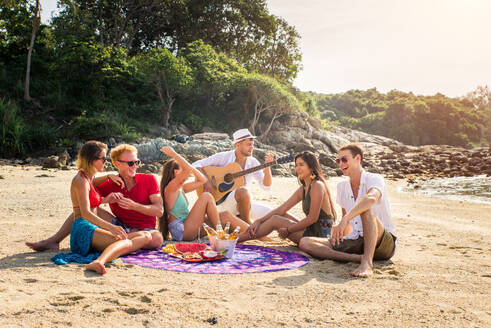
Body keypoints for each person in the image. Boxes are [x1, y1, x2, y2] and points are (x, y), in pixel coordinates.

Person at [26, 144, 164, 251]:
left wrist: (134, 206)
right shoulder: (110, 183)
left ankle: (120, 241)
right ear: (117, 163)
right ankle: (54, 240)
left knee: (157, 239)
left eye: (136, 162)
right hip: (120, 224)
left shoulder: (149, 179)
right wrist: (108, 177)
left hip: (145, 229)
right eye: (130, 163)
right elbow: (86, 184)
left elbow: (159, 211)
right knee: (89, 207)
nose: (135, 166)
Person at [299, 143, 397, 278]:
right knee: (305, 242)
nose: (340, 164)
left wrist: (345, 219)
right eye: (338, 160)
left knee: (366, 209)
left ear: (357, 159)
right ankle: (356, 258)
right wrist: (338, 233)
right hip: (356, 240)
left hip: (383, 242)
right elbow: (348, 224)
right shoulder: (342, 186)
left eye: (344, 159)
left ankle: (367, 263)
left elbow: (371, 198)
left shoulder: (374, 178)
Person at [63, 141, 151, 274]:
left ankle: (105, 256)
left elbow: (92, 193)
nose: (106, 162)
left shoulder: (87, 178)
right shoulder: (81, 180)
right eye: (103, 159)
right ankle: (99, 261)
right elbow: (86, 213)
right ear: (91, 160)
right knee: (126, 242)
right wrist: (111, 227)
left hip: (90, 228)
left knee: (146, 236)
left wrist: (107, 190)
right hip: (83, 230)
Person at [238, 151, 337, 244]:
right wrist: (259, 221)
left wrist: (288, 230)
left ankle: (237, 239)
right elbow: (282, 209)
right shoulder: (303, 188)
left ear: (311, 167)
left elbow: (312, 218)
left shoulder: (317, 185)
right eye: (296, 165)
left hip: (320, 234)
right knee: (281, 214)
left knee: (275, 220)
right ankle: (239, 237)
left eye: (301, 165)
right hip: (311, 229)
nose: (297, 168)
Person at [160, 146, 248, 241]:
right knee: (206, 196)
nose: (187, 174)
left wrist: (190, 167)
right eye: (182, 169)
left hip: (188, 226)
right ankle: (220, 233)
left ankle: (257, 235)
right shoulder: (170, 187)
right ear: (176, 172)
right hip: (182, 231)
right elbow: (187, 170)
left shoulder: (181, 188)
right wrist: (174, 154)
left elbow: (202, 180)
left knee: (225, 215)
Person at [192, 128, 274, 225]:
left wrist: (268, 168)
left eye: (252, 145)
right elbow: (196, 165)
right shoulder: (223, 157)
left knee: (273, 214)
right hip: (220, 204)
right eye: (248, 145)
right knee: (243, 191)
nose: (252, 147)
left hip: (243, 206)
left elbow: (266, 187)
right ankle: (246, 223)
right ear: (237, 145)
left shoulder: (253, 162)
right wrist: (207, 182)